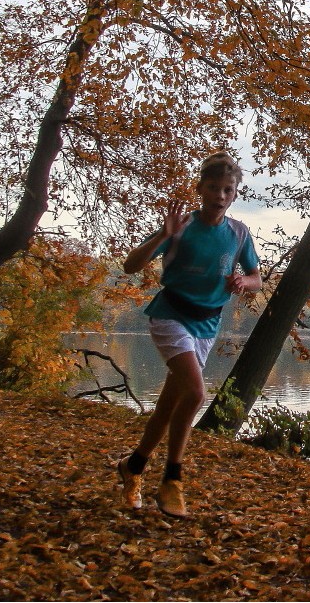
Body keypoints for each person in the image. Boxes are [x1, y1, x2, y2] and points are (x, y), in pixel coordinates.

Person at [116, 151, 260, 518]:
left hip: (207, 323)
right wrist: (161, 238)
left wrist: (244, 281)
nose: (221, 196)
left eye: (228, 190)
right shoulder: (181, 227)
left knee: (168, 407)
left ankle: (133, 467)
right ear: (200, 189)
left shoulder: (239, 233)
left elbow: (257, 280)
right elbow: (131, 265)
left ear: (235, 193)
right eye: (213, 188)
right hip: (170, 315)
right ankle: (172, 481)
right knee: (195, 393)